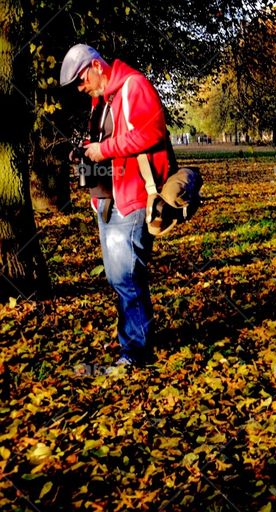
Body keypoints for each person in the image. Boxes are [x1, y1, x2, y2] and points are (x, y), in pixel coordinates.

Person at [59, 44, 175, 368]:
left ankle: (136, 353)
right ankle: (136, 340)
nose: (81, 89)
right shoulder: (103, 99)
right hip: (108, 201)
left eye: (81, 80)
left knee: (127, 276)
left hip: (133, 197)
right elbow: (109, 142)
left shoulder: (133, 86)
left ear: (96, 66)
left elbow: (152, 133)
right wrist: (86, 151)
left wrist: (104, 150)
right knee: (117, 277)